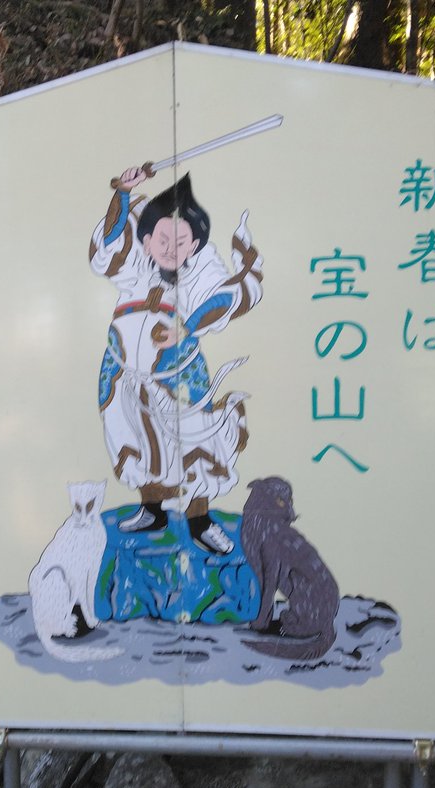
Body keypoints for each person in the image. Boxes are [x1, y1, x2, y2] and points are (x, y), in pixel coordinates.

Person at [89, 169, 262, 554]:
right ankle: (153, 509)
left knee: (194, 441)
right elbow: (109, 245)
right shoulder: (133, 262)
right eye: (162, 239)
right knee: (135, 436)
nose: (170, 248)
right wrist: (122, 193)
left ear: (195, 243)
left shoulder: (201, 267)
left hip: (177, 371)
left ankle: (200, 519)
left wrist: (188, 327)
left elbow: (226, 298)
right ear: (147, 238)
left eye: (181, 241)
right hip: (123, 370)